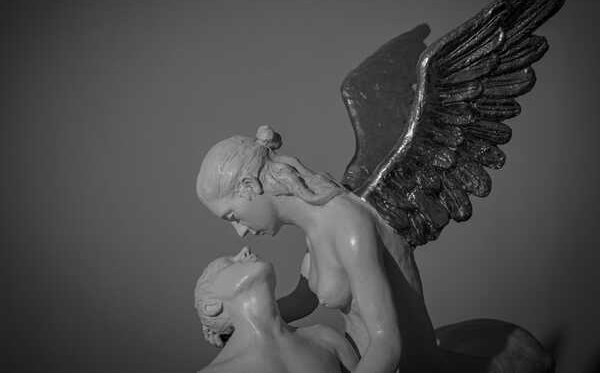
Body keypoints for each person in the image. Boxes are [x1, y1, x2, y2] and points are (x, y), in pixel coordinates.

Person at [196, 126, 554, 373]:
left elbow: (387, 343)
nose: (240, 231)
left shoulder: (346, 224)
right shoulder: (315, 229)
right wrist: (229, 321)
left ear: (249, 186)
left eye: (232, 215)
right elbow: (302, 302)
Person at [195, 246, 358, 373]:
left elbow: (302, 299)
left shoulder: (326, 339)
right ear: (210, 306)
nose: (245, 249)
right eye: (227, 264)